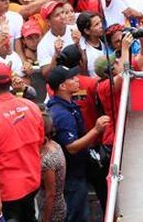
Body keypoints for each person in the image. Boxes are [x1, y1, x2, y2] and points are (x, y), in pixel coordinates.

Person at [0, 63, 44, 221]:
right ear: (10, 82)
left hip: (7, 191)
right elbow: (40, 142)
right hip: (32, 181)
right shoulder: (31, 107)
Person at [45, 65, 110, 222]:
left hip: (78, 170)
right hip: (71, 175)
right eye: (72, 78)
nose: (77, 80)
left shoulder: (67, 105)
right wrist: (96, 130)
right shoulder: (61, 114)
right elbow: (72, 147)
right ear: (62, 86)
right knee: (77, 215)